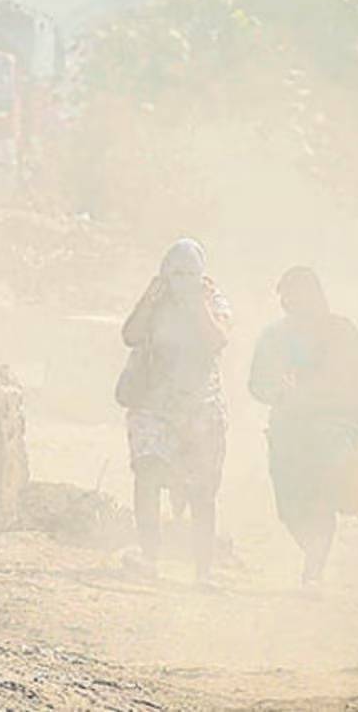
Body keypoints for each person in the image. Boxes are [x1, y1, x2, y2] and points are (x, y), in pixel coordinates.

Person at [249, 267, 358, 587]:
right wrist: (276, 390)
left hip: (334, 431)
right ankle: (314, 554)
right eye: (286, 296)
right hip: (287, 433)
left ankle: (315, 568)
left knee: (322, 501)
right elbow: (256, 384)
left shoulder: (342, 331)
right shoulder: (274, 337)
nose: (291, 302)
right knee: (289, 508)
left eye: (297, 294)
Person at [118, 238, 231, 585]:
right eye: (175, 272)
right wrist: (151, 299)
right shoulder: (156, 299)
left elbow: (218, 340)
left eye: (189, 273)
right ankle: (149, 555)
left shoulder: (213, 300)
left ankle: (203, 570)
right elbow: (131, 335)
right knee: (147, 472)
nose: (181, 279)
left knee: (201, 490)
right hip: (153, 405)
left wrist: (198, 304)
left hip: (200, 407)